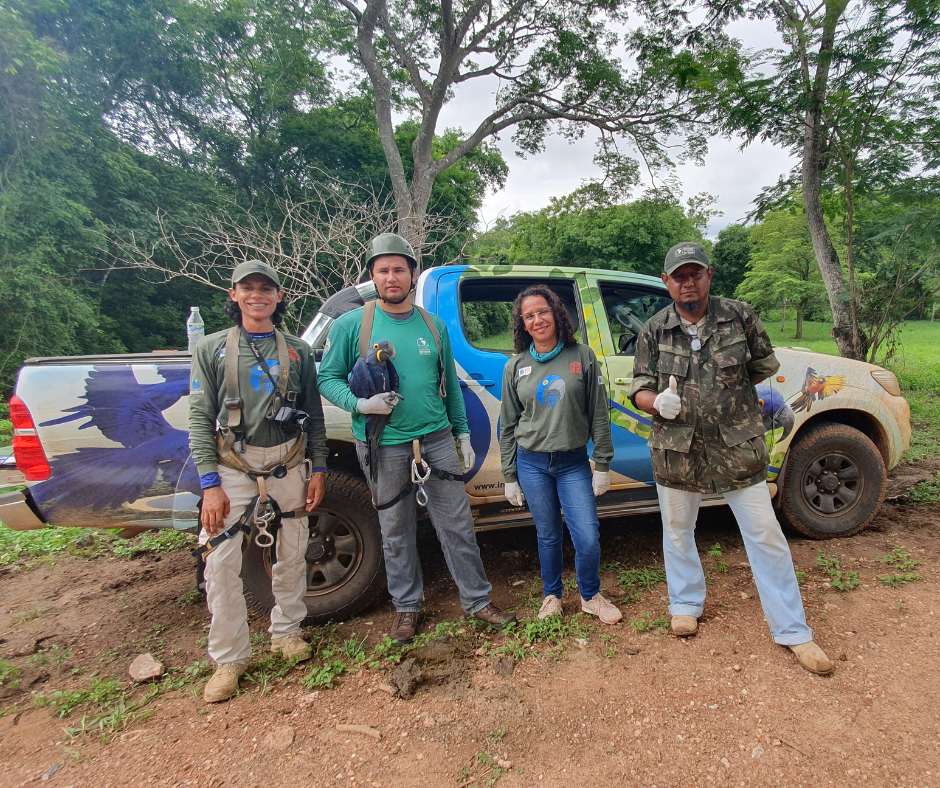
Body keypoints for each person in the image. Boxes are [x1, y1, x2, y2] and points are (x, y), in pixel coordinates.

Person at [628, 242, 834, 675]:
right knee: (679, 530)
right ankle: (684, 603)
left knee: (765, 534)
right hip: (677, 449)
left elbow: (760, 368)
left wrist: (726, 400)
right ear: (666, 282)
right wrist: (655, 403)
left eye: (695, 273)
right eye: (678, 276)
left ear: (709, 275)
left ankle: (793, 630)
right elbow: (640, 386)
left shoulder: (740, 316)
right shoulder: (654, 329)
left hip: (736, 447)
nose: (687, 282)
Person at [317, 233, 516, 643]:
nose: (392, 277)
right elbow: (327, 378)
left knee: (457, 523)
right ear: (373, 276)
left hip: (436, 438)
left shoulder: (433, 324)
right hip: (382, 442)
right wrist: (360, 405)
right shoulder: (354, 324)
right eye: (383, 270)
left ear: (411, 275)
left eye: (399, 269)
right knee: (395, 527)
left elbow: (449, 387)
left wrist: (461, 433)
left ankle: (478, 600)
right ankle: (407, 608)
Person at [189, 260, 329, 702]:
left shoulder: (297, 351)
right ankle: (229, 658)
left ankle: (286, 631)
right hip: (233, 463)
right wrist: (209, 482)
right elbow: (198, 416)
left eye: (265, 289)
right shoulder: (212, 348)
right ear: (233, 295)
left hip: (288, 458)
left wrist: (319, 467)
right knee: (220, 560)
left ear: (279, 296)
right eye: (247, 288)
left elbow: (315, 415)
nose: (257, 295)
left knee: (293, 549)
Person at [499, 285, 622, 624]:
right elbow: (507, 423)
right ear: (522, 324)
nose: (537, 319)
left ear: (555, 312)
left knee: (587, 535)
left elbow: (598, 413)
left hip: (573, 463)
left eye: (542, 311)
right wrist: (509, 475)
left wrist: (603, 464)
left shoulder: (581, 356)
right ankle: (551, 596)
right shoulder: (515, 366)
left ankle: (590, 595)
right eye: (529, 315)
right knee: (548, 534)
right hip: (531, 463)